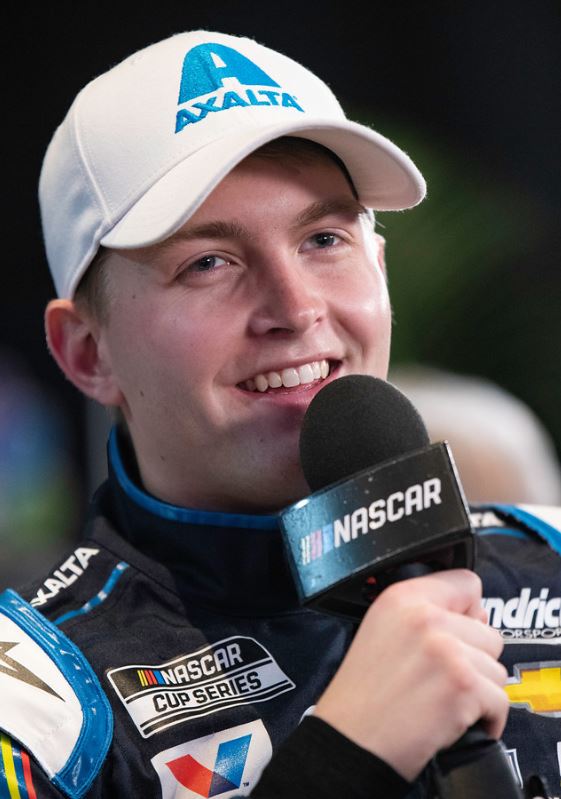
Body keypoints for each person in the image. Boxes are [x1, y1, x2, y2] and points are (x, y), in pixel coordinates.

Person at [0, 30, 559, 799]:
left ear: (381, 276)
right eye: (208, 262)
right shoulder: (37, 709)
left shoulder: (550, 567)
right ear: (88, 353)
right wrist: (343, 758)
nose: (296, 308)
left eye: (324, 238)